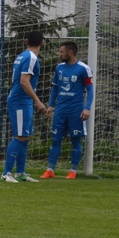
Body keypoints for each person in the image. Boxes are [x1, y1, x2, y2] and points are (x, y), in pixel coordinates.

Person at [41, 41, 94, 179]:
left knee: (76, 140)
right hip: (60, 110)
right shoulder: (59, 68)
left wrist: (87, 108)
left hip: (76, 111)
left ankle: (73, 171)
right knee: (56, 139)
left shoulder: (84, 69)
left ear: (70, 53)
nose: (60, 54)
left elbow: (90, 90)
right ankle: (50, 170)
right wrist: (51, 105)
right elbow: (55, 88)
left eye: (62, 52)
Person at [2, 31, 46, 183]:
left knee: (25, 137)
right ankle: (6, 173)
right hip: (20, 101)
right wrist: (38, 101)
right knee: (20, 136)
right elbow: (24, 81)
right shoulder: (31, 57)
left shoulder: (22, 55)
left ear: (26, 41)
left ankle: (20, 173)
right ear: (42, 43)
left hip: (23, 101)